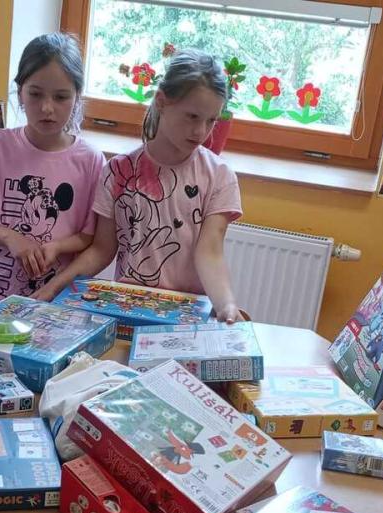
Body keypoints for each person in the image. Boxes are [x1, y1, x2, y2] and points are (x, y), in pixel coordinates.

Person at [34, 49, 243, 324]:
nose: (201, 131)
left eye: (211, 120)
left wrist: (227, 304)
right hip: (126, 314)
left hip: (186, 319)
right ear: (162, 102)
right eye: (192, 116)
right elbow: (102, 249)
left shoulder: (219, 175)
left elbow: (210, 252)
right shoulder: (118, 171)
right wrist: (55, 286)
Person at [0, 32, 104, 311]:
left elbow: (87, 236)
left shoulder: (91, 160)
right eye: (35, 94)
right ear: (20, 92)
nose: (47, 108)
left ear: (77, 97)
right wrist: (11, 238)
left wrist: (57, 247)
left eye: (61, 97)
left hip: (55, 305)